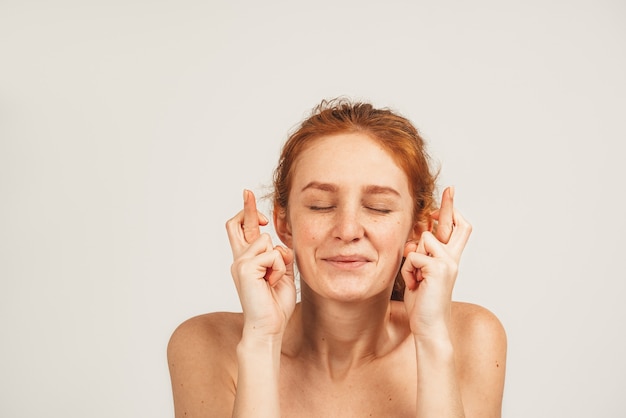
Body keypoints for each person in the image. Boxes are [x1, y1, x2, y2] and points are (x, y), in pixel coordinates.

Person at [167, 98, 507, 417]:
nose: (347, 230)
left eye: (378, 207)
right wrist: (262, 340)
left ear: (417, 228)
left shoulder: (471, 337)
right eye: (321, 205)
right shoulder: (204, 345)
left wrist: (432, 336)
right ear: (284, 222)